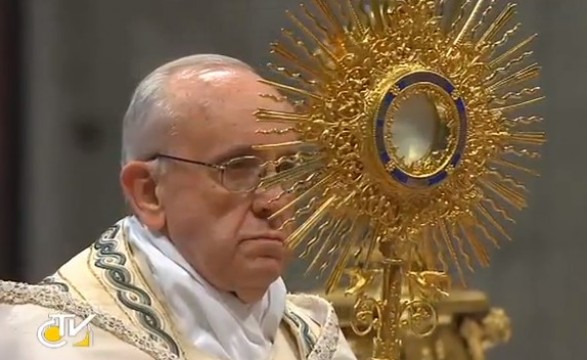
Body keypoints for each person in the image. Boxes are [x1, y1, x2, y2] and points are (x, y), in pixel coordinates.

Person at [0, 54, 357, 360]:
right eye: (238, 169)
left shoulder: (313, 340)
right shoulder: (64, 341)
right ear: (149, 192)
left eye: (288, 170)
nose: (275, 202)